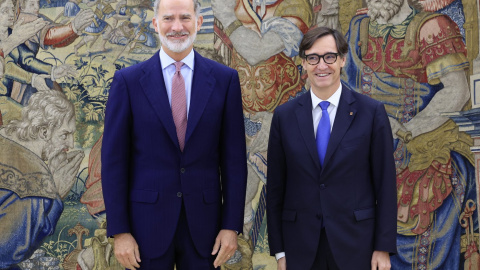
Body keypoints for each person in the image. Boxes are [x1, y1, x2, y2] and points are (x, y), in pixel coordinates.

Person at [101, 0, 247, 269]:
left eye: (185, 18)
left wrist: (231, 226)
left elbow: (234, 161)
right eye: (168, 18)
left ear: (199, 22)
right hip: (145, 228)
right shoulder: (128, 82)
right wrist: (120, 231)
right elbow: (113, 163)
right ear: (155, 24)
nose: (177, 27)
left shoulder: (225, 80)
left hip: (206, 229)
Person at [343, 0, 475, 268]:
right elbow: (343, 87)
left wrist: (405, 130)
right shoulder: (358, 28)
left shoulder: (431, 27)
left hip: (420, 141)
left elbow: (457, 91)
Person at [266, 26, 397, 270]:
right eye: (312, 58)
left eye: (329, 57)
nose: (321, 65)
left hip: (357, 246)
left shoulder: (371, 113)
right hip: (300, 248)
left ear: (342, 60)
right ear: (303, 63)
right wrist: (280, 251)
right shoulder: (284, 117)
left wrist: (383, 247)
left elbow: (386, 185)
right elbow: (275, 189)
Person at [0, 90, 84, 268]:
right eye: (65, 135)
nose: (70, 144)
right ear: (44, 132)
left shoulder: (4, 138)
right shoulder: (33, 181)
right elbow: (10, 251)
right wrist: (56, 197)